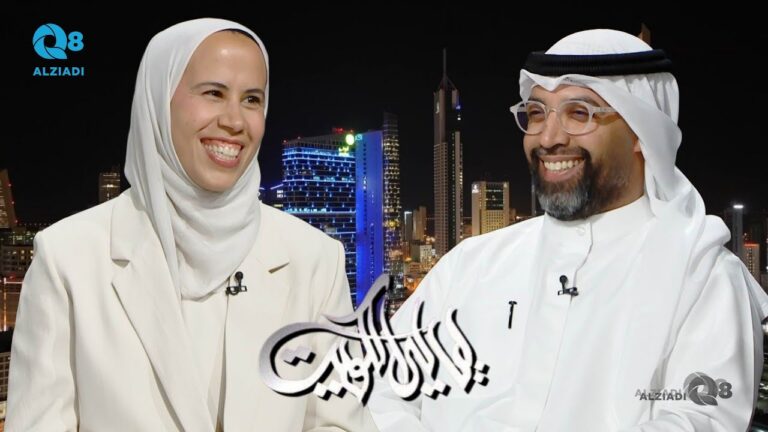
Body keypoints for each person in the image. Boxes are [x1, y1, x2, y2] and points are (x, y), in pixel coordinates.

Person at [368, 29, 768, 431]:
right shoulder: (471, 264)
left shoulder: (703, 278)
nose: (548, 138)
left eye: (579, 113)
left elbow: (698, 420)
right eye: (537, 113)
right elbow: (377, 384)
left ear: (641, 132)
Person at [8, 18, 377, 432]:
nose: (235, 121)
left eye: (252, 99)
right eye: (214, 93)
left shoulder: (315, 259)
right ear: (158, 101)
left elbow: (341, 423)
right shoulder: (68, 258)